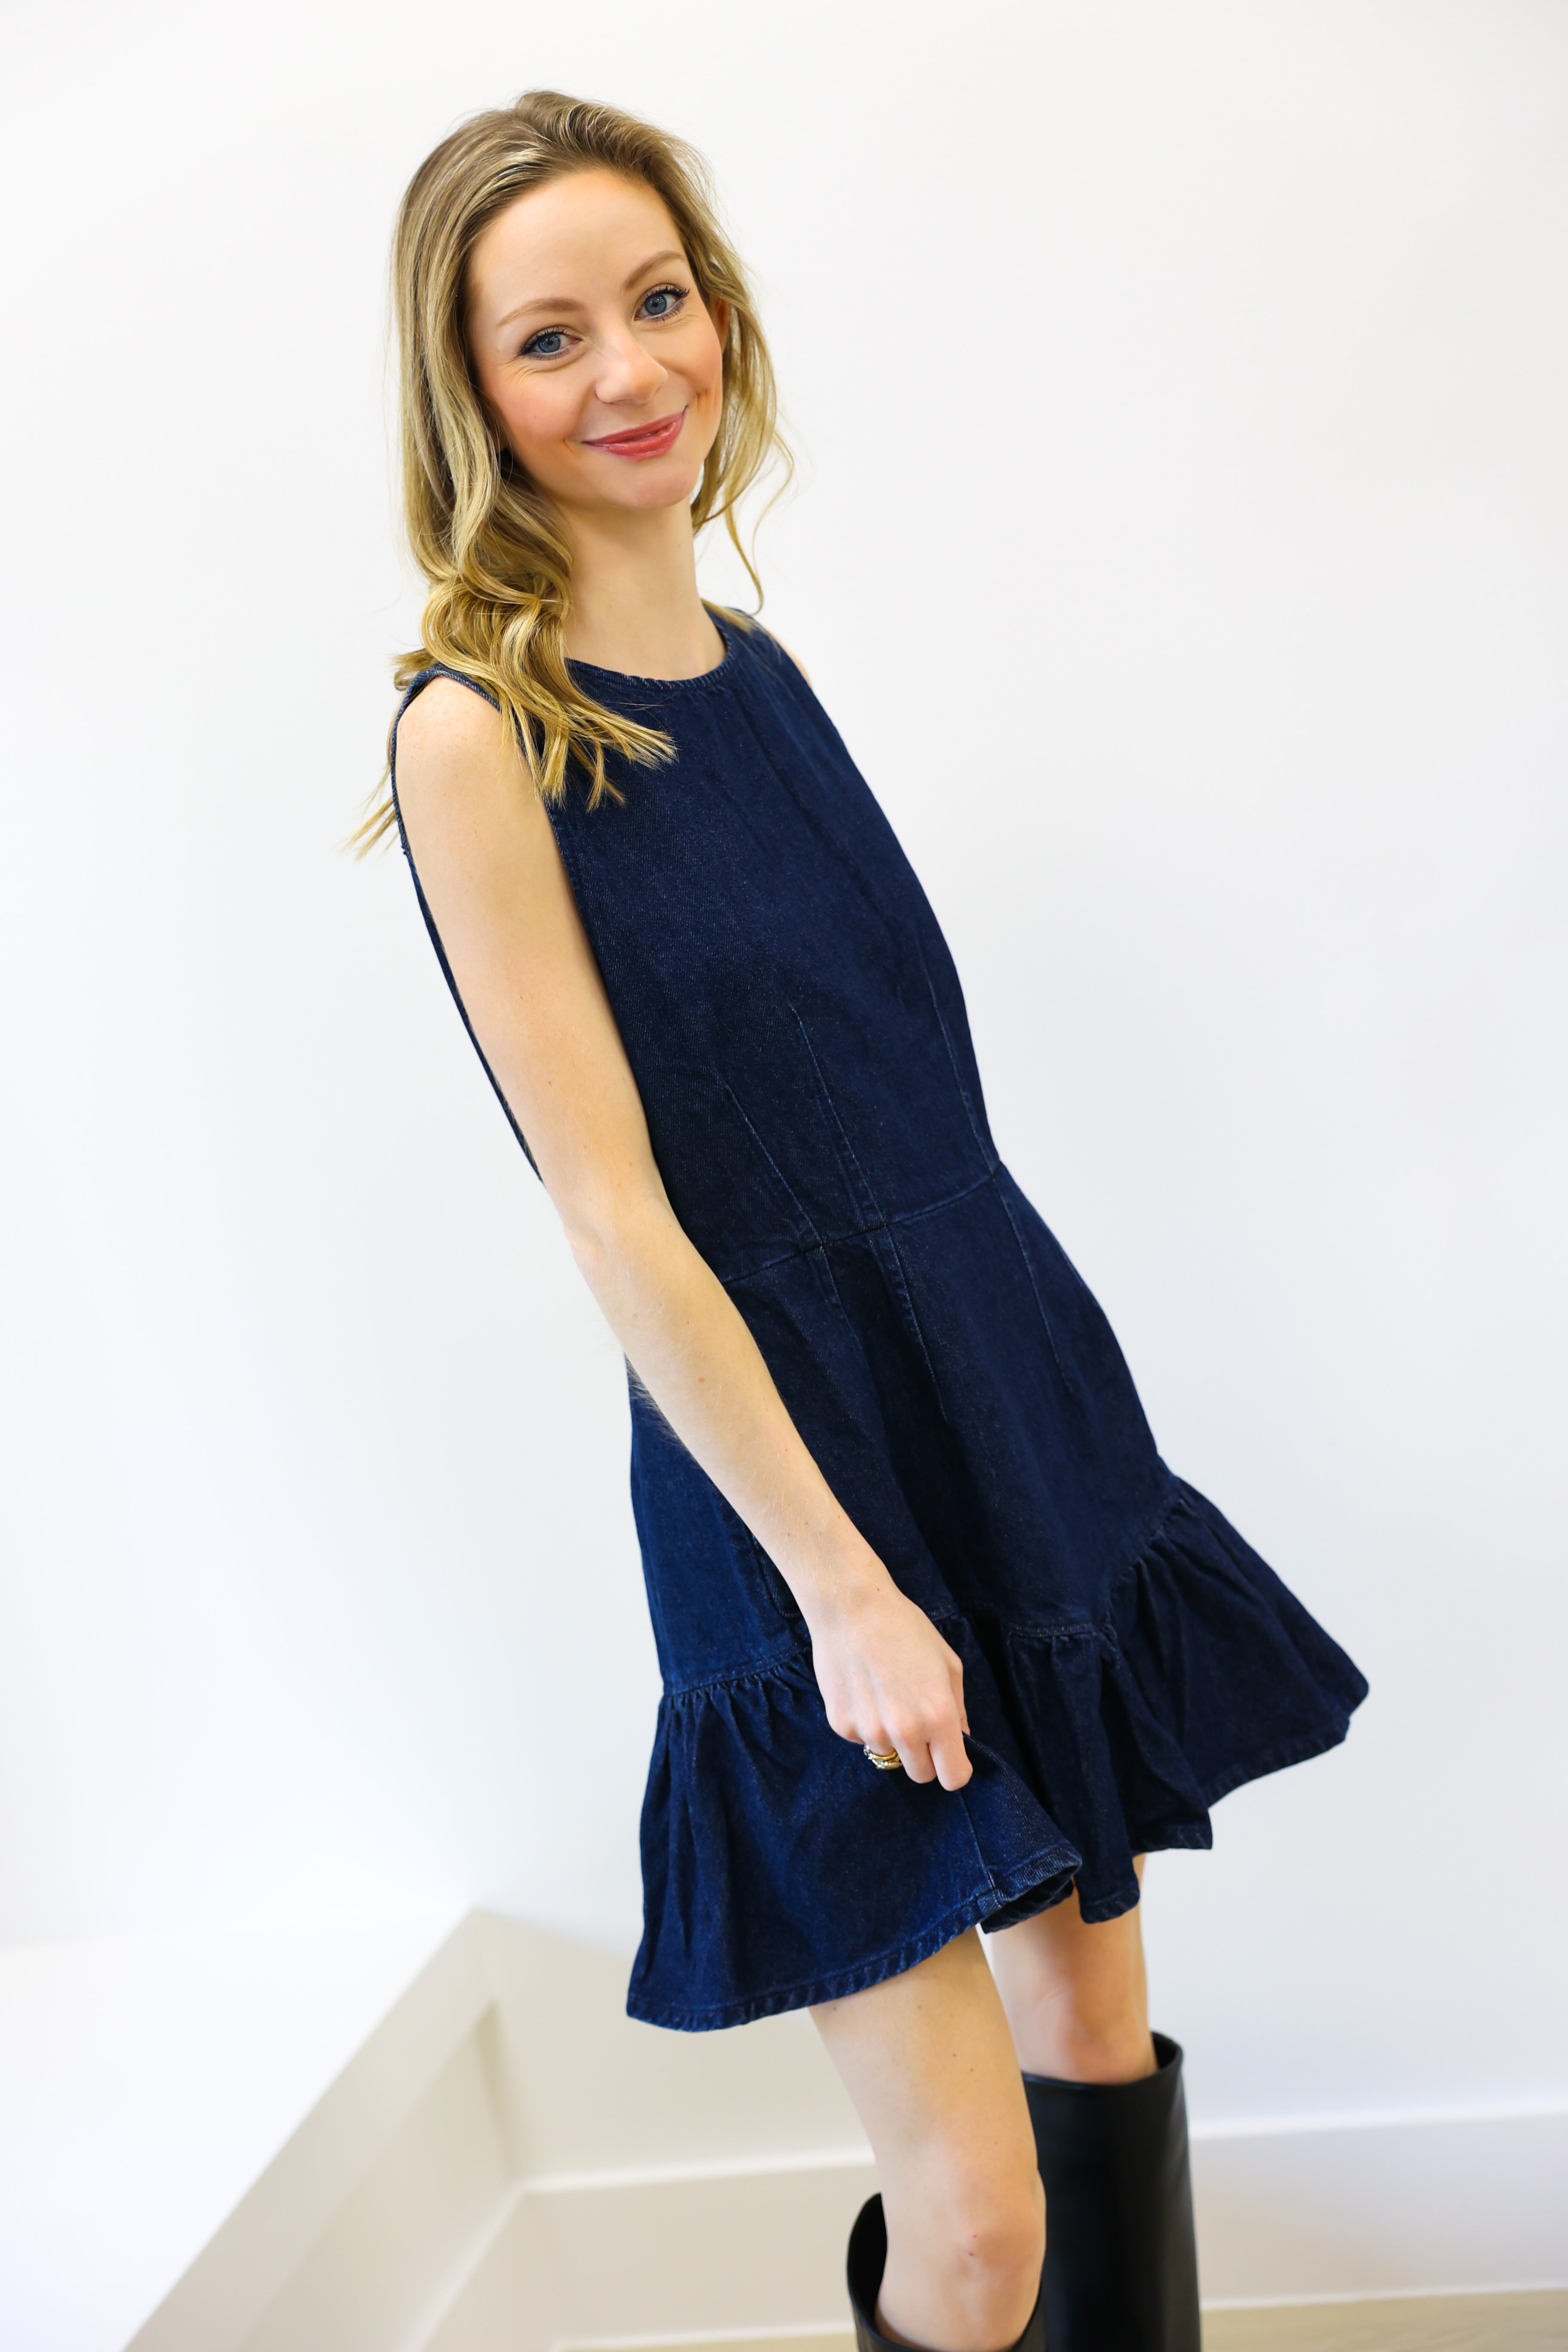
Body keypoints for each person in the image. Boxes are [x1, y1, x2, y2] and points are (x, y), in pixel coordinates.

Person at [370, 90, 1369, 2352]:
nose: (631, 368)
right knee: (981, 2224)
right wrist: (842, 1591)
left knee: (1096, 2058)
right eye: (551, 337)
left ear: (719, 312)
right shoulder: (474, 736)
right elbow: (613, 1216)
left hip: (1000, 1393)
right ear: (470, 391)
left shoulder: (761, 670)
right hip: (791, 1488)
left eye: (659, 300)